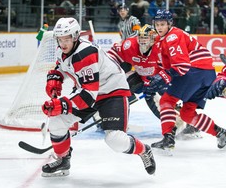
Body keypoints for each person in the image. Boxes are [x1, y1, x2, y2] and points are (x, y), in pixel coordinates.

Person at [41, 17, 156, 177]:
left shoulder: (85, 53)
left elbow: (88, 96)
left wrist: (61, 105)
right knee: (57, 122)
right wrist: (56, 77)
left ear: (75, 36)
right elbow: (62, 67)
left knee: (115, 140)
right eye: (60, 39)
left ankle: (144, 150)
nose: (63, 43)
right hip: (89, 92)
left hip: (112, 92)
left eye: (67, 38)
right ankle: (63, 160)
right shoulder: (63, 50)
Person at [145, 9, 226, 151]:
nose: (159, 27)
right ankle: (220, 133)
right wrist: (158, 78)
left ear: (169, 24)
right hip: (207, 74)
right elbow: (167, 67)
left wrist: (162, 77)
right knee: (187, 114)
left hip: (194, 71)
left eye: (162, 24)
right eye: (157, 24)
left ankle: (168, 138)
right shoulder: (162, 40)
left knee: (166, 101)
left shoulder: (172, 37)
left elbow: (181, 66)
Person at [107, 24, 200, 139]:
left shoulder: (162, 47)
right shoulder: (130, 45)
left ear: (153, 39)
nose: (142, 41)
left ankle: (188, 122)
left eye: (146, 38)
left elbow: (178, 66)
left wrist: (165, 79)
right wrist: (108, 68)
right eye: (141, 37)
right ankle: (115, 118)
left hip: (162, 81)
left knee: (166, 103)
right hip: (144, 81)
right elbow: (114, 54)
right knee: (123, 86)